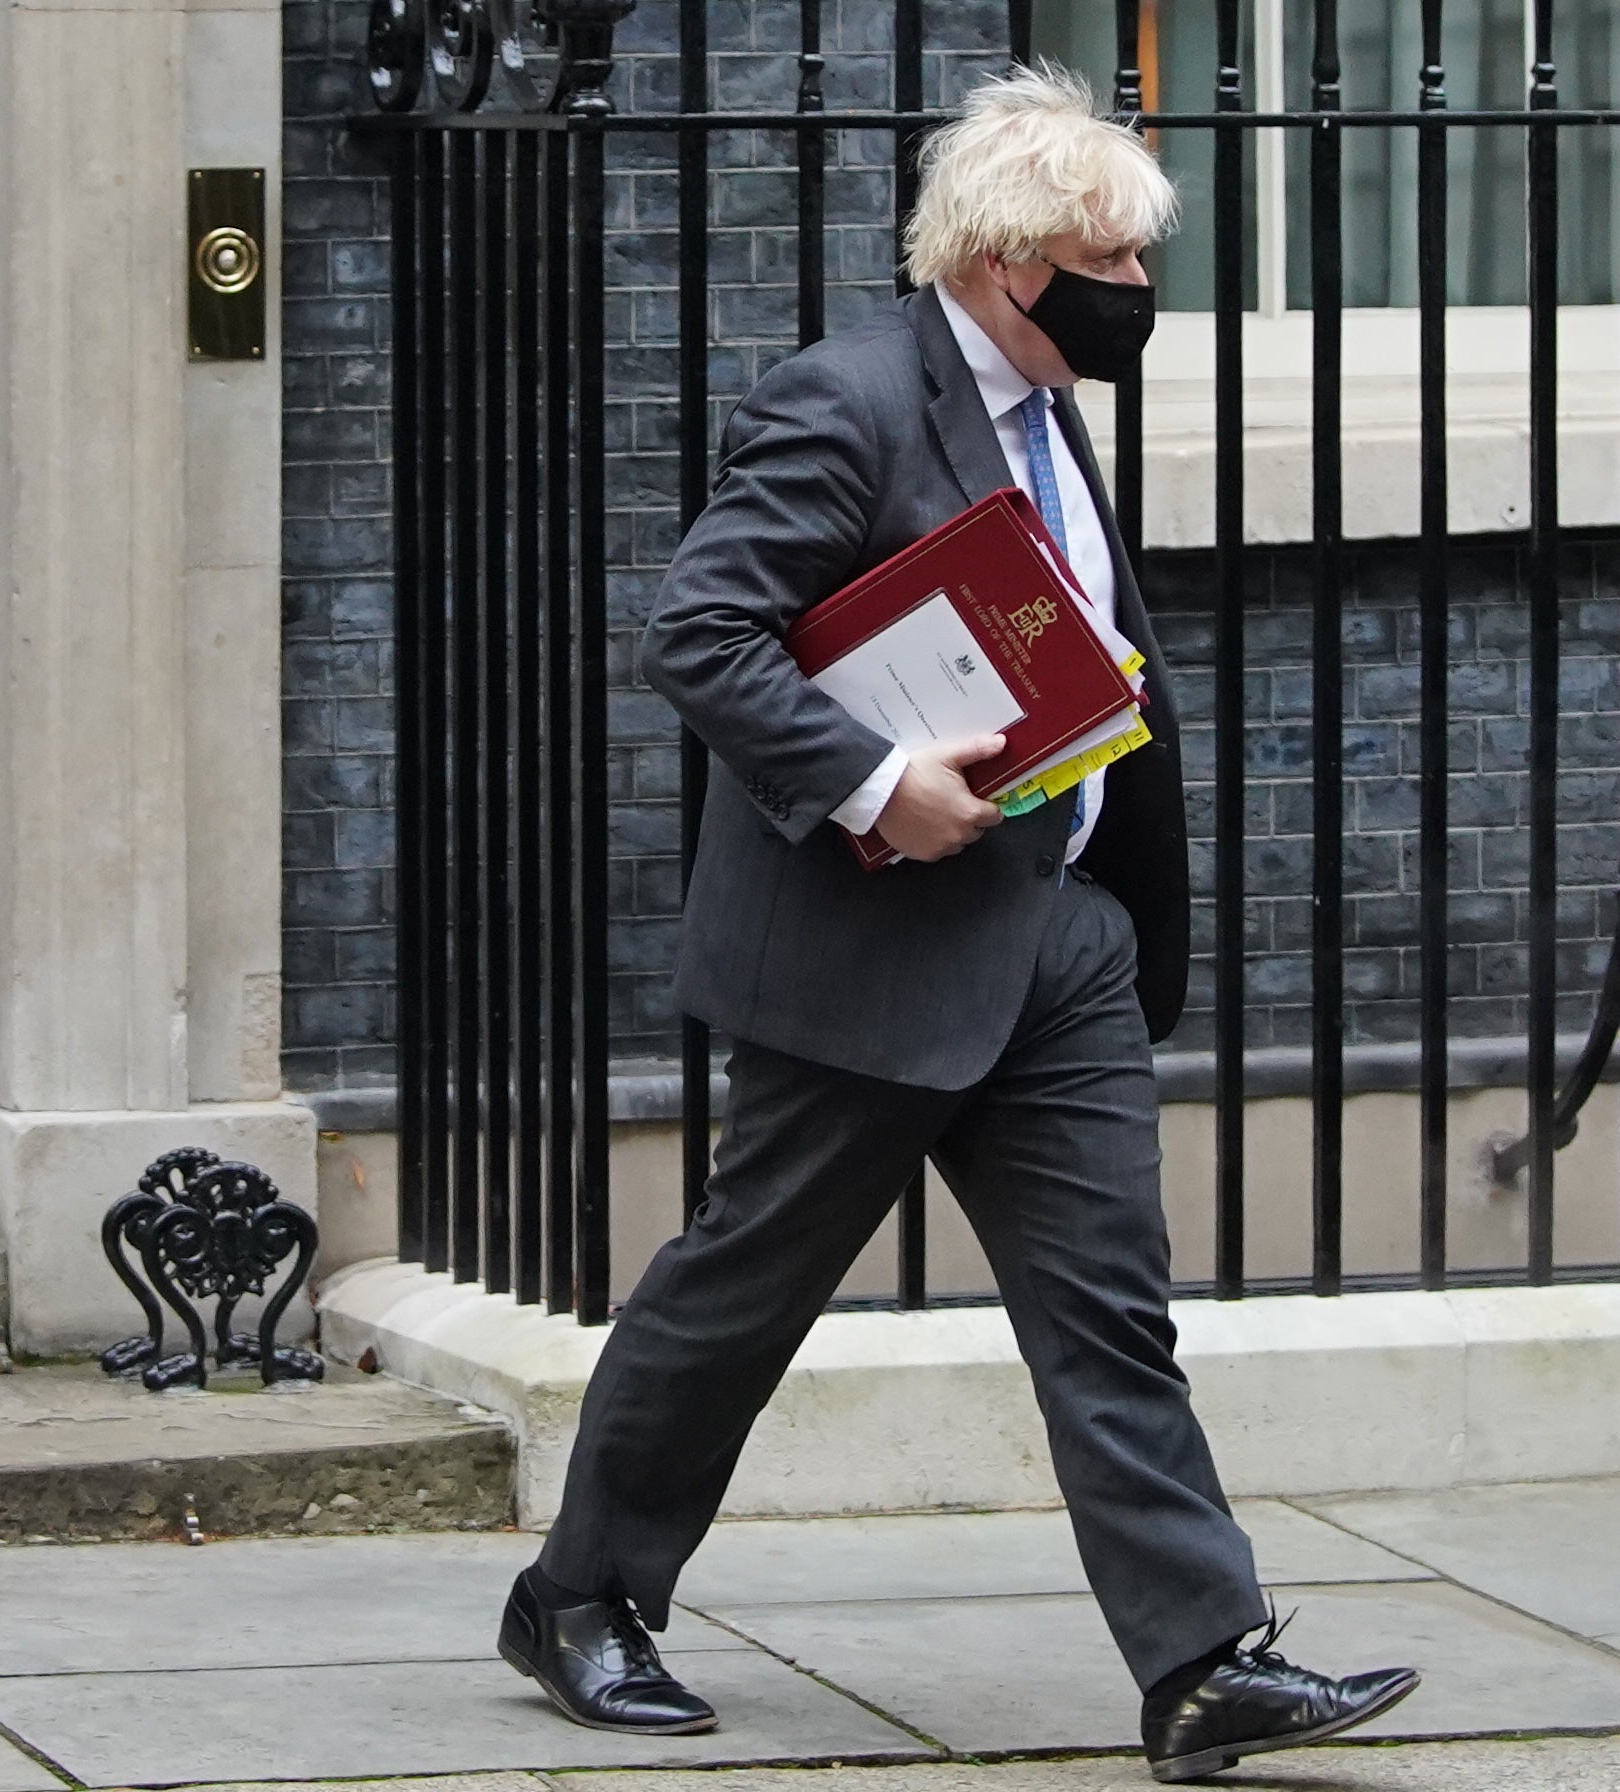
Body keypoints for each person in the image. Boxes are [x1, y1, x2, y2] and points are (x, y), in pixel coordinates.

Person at [492, 65, 1421, 1785]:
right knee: (738, 1296)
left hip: (1053, 937)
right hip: (875, 943)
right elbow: (700, 637)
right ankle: (579, 1598)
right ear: (1005, 262)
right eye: (1112, 266)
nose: (1136, 296)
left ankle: (1205, 1661)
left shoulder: (1044, 411)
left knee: (1109, 1311)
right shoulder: (841, 405)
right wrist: (870, 782)